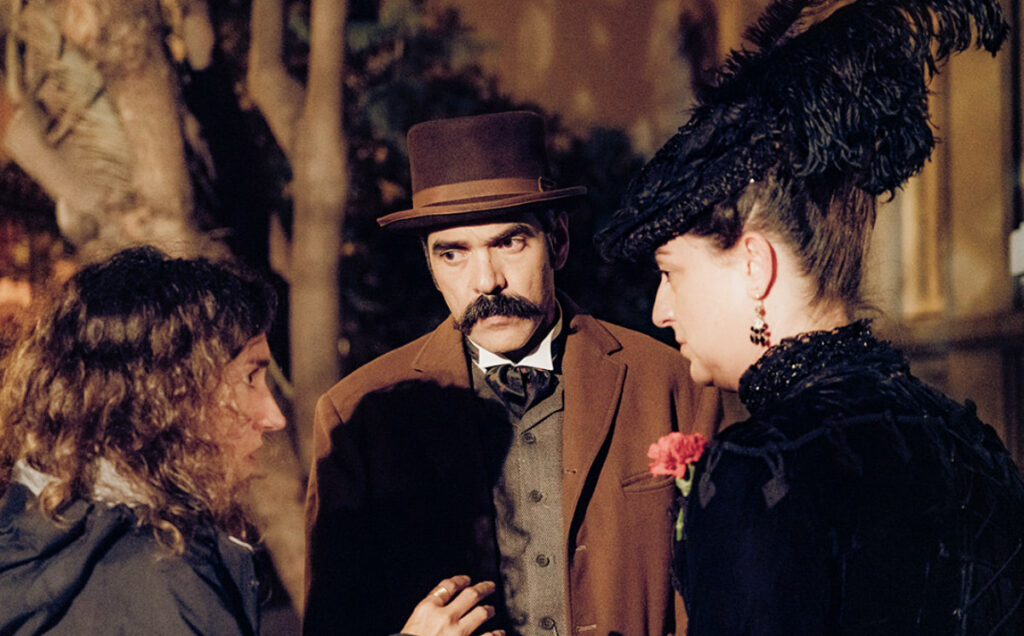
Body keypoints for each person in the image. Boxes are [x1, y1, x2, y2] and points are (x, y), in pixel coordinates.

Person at [597, 1, 1024, 635]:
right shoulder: (968, 439)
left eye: (671, 272)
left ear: (753, 265)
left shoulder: (762, 468)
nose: (662, 310)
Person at [304, 111, 722, 636]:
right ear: (430, 266)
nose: (486, 281)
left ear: (559, 241)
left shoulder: (672, 383)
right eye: (453, 253)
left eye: (509, 243)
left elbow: (725, 594)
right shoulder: (356, 417)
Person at [0, 246, 499, 636]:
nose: (273, 417)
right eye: (250, 378)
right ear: (170, 395)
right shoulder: (160, 577)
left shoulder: (47, 531)